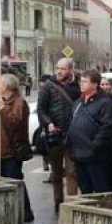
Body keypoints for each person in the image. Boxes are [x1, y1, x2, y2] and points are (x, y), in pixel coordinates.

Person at [66, 69, 112, 194]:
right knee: (85, 191)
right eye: (81, 81)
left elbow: (108, 127)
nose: (81, 84)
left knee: (101, 191)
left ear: (95, 84)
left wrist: (94, 145)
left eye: (85, 81)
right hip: (79, 155)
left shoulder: (105, 103)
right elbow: (71, 122)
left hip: (96, 157)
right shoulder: (78, 103)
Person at [37, 58, 80, 214]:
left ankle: (72, 203)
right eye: (57, 68)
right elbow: (41, 109)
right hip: (55, 135)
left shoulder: (78, 86)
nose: (59, 71)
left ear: (71, 70)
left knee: (72, 171)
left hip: (73, 135)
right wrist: (48, 123)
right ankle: (58, 201)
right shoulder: (48, 86)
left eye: (63, 69)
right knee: (56, 172)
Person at [0, 74, 34, 222]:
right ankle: (11, 211)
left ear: (6, 87)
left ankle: (25, 212)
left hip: (12, 150)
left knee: (15, 180)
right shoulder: (5, 101)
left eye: (0, 84)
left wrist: (2, 110)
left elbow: (14, 124)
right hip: (2, 150)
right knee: (7, 181)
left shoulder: (19, 102)